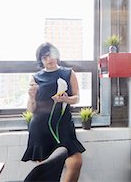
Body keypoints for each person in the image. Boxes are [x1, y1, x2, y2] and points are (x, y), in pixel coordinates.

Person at [22, 42, 85, 182]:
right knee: (47, 172)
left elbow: (76, 98)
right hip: (41, 127)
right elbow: (31, 109)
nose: (49, 59)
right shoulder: (35, 77)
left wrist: (66, 99)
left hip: (63, 126)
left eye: (51, 55)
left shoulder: (68, 73)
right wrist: (32, 97)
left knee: (75, 162)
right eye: (45, 57)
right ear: (41, 60)